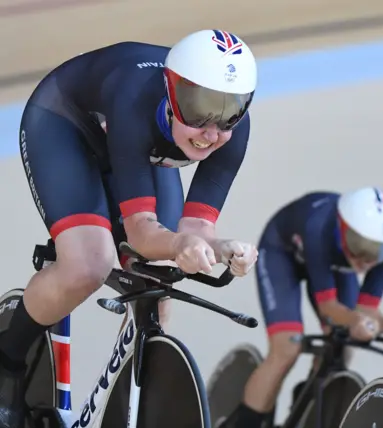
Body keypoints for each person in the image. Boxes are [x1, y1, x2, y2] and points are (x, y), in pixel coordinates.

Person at [0, 29, 259, 428]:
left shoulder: (233, 132)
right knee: (89, 264)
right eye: (200, 109)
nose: (211, 132)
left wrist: (224, 248)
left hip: (141, 149)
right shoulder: (135, 101)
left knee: (158, 285)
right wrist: (179, 243)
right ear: (171, 93)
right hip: (65, 123)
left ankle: (126, 407)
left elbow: (195, 229)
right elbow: (143, 234)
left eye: (227, 114)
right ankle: (7, 363)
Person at [223, 188, 383, 427]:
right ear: (342, 226)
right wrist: (358, 322)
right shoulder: (318, 226)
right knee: (287, 349)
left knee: (343, 346)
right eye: (359, 245)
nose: (366, 260)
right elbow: (329, 308)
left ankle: (305, 399)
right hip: (282, 254)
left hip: (334, 264)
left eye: (378, 251)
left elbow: (366, 309)